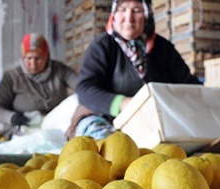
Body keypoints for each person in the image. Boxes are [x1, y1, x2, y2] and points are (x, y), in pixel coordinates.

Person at [69, 0, 202, 139]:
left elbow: (188, 84)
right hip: (104, 117)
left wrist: (206, 98)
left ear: (147, 15)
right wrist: (124, 104)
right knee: (110, 147)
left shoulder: (163, 48)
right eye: (122, 10)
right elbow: (85, 89)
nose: (128, 17)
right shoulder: (102, 46)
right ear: (114, 14)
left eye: (137, 10)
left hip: (152, 120)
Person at [0, 33, 78, 138]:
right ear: (22, 57)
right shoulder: (12, 77)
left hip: (57, 130)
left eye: (38, 58)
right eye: (28, 58)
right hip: (24, 131)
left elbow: (82, 87)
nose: (33, 64)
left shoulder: (60, 70)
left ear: (46, 57)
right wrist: (12, 117)